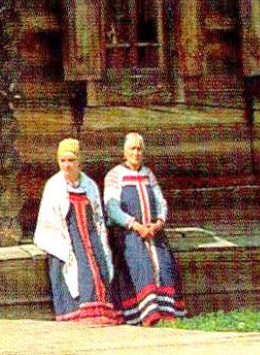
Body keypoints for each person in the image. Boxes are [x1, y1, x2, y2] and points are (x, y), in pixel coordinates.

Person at [33, 138, 122, 325]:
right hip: (67, 235)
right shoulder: (54, 186)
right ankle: (80, 315)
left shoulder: (89, 185)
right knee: (77, 269)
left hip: (89, 234)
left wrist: (98, 239)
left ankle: (102, 314)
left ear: (78, 161)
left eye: (71, 160)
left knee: (99, 265)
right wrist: (67, 245)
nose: (66, 165)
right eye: (62, 160)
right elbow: (49, 221)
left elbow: (98, 216)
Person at [104, 132, 186, 325]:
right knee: (140, 264)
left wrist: (159, 222)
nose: (136, 153)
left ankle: (167, 312)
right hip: (128, 233)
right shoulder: (115, 175)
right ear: (124, 152)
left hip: (152, 231)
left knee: (165, 265)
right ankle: (146, 315)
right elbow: (111, 207)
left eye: (140, 149)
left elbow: (161, 202)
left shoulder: (148, 174)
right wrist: (134, 225)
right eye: (132, 148)